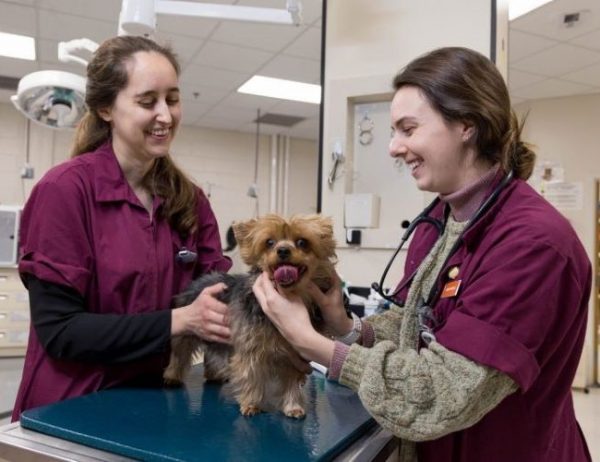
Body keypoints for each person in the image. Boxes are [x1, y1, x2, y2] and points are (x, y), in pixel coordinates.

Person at [253, 47, 592, 462]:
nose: (394, 148)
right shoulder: (441, 219)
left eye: (407, 129)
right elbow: (420, 323)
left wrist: (311, 343)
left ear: (467, 124)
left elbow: (440, 395)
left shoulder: (533, 245)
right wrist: (347, 326)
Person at [12, 36, 233, 421]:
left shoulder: (189, 201)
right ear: (105, 108)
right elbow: (61, 331)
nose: (165, 115)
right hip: (69, 408)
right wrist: (180, 320)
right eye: (148, 102)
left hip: (153, 404)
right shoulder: (65, 191)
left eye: (173, 99)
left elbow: (218, 296)